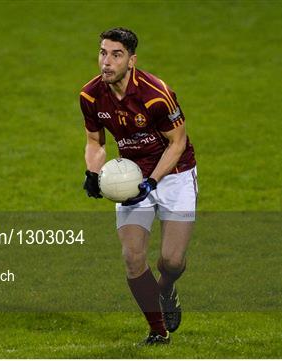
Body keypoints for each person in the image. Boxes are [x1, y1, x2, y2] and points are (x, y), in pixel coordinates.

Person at [80, 27, 198, 345]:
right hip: (131, 176)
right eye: (103, 53)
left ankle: (166, 289)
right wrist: (93, 172)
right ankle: (158, 330)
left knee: (171, 261)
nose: (106, 61)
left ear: (132, 60)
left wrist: (152, 182)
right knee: (133, 257)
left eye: (116, 55)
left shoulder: (156, 93)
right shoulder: (91, 95)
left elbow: (177, 143)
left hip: (175, 174)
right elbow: (95, 140)